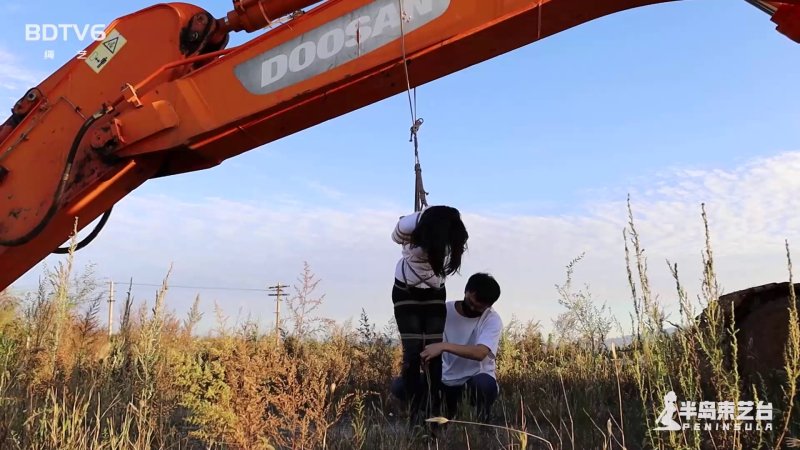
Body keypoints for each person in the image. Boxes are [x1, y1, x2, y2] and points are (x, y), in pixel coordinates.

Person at [391, 205, 469, 421]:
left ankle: (435, 408)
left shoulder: (452, 230)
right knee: (413, 351)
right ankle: (414, 411)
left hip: (434, 289)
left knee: (434, 351)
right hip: (405, 289)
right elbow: (395, 237)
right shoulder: (409, 224)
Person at [393, 272, 503, 423]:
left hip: (471, 383)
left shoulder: (492, 320)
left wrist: (443, 346)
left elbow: (480, 353)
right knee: (400, 385)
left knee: (485, 384)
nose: (472, 308)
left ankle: (480, 421)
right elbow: (425, 343)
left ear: (489, 306)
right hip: (442, 382)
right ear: (466, 291)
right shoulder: (443, 311)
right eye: (470, 301)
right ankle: (431, 413)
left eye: (478, 308)